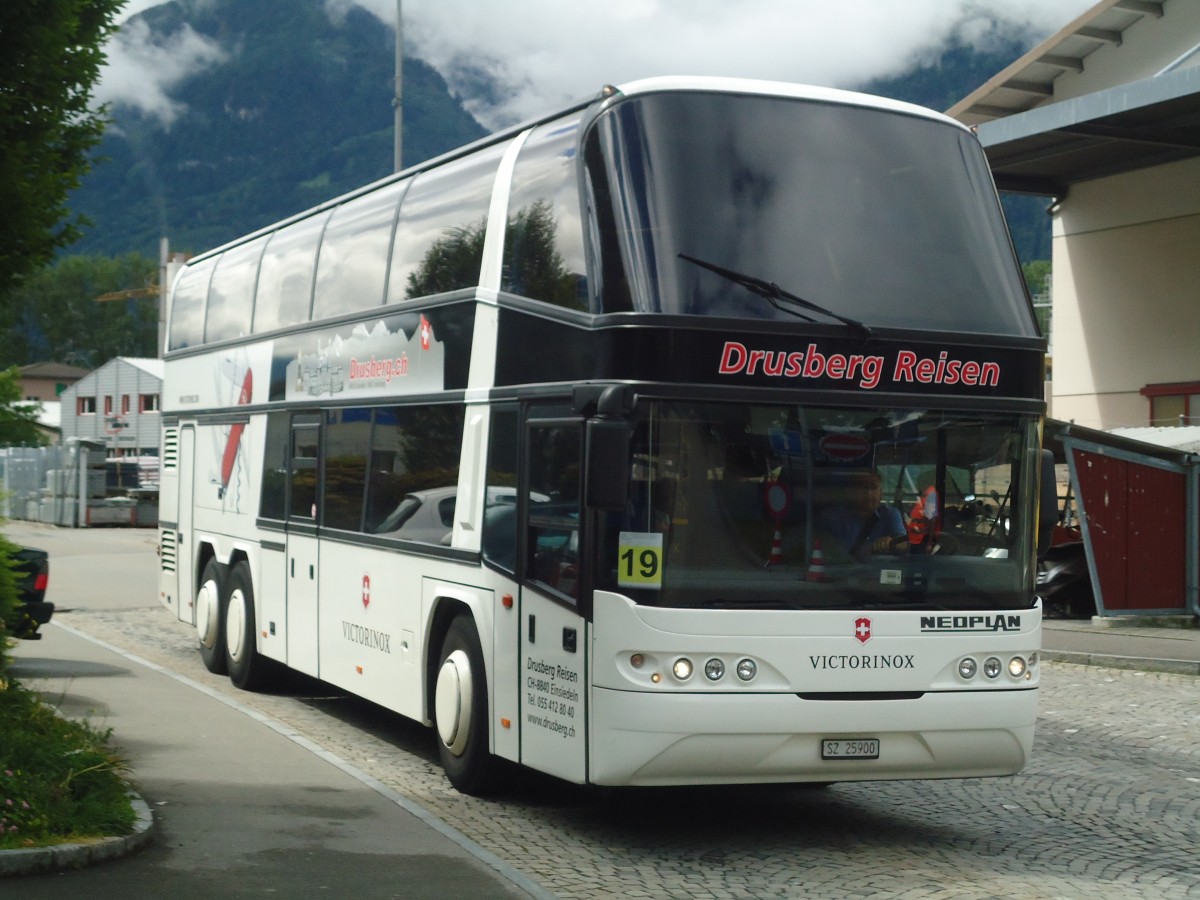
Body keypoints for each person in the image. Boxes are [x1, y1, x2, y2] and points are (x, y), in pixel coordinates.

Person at [819, 469, 906, 560]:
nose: (869, 494)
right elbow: (824, 550)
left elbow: (904, 544)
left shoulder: (890, 514)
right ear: (850, 492)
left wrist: (891, 542)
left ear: (881, 493)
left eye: (873, 487)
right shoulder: (832, 517)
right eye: (862, 487)